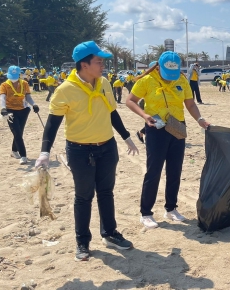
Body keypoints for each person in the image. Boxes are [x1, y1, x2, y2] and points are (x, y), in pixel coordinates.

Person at [34, 41, 138, 261]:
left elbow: (112, 112)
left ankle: (110, 233)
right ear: (84, 64)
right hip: (80, 151)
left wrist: (126, 137)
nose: (103, 65)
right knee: (83, 197)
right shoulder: (65, 90)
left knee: (106, 192)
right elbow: (53, 123)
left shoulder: (104, 84)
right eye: (99, 61)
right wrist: (44, 152)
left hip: (107, 147)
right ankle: (82, 241)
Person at [126, 51, 210, 229]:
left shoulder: (181, 80)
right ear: (159, 67)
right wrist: (144, 114)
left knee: (175, 170)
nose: (171, 79)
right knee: (153, 171)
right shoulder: (147, 80)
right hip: (155, 128)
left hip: (177, 127)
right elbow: (130, 100)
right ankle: (146, 213)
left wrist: (200, 119)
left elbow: (190, 104)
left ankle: (171, 208)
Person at [0, 66, 39, 165]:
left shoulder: (24, 83)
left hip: (23, 110)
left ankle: (14, 151)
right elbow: (2, 98)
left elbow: (28, 96)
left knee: (19, 133)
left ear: (19, 75)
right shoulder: (4, 85)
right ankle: (23, 155)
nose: (13, 78)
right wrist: (3, 108)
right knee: (17, 133)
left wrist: (33, 104)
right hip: (10, 112)